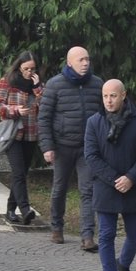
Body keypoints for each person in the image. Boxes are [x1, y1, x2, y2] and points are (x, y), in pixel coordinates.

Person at [82, 79, 136, 271]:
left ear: (123, 95)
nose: (109, 100)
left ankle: (124, 264)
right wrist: (115, 180)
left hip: (134, 184)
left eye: (113, 95)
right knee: (106, 235)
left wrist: (131, 178)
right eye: (105, 96)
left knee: (135, 233)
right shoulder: (94, 122)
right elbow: (91, 156)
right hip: (106, 186)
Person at [37, 46, 105, 250]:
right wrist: (47, 147)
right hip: (62, 146)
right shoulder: (55, 85)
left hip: (87, 148)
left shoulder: (97, 84)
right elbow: (44, 117)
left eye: (87, 59)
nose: (85, 63)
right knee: (59, 189)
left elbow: (104, 116)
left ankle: (87, 236)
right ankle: (57, 228)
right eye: (81, 60)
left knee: (88, 190)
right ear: (69, 63)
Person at [0, 51, 44, 225]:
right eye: (26, 68)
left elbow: (45, 106)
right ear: (19, 67)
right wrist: (15, 110)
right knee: (18, 171)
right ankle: (25, 208)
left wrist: (37, 88)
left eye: (32, 69)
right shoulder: (7, 81)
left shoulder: (37, 85)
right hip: (13, 132)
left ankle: (10, 209)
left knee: (21, 172)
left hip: (30, 133)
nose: (29, 72)